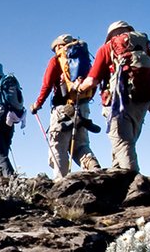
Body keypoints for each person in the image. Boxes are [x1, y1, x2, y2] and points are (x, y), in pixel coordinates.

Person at [76, 21, 150, 172]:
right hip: (142, 102)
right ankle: (119, 180)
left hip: (117, 104)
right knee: (123, 145)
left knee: (123, 145)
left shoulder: (107, 48)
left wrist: (79, 87)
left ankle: (134, 182)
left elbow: (92, 81)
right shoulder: (144, 49)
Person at [30, 34, 101, 176]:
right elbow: (93, 82)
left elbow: (47, 85)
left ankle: (61, 181)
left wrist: (37, 104)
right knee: (80, 145)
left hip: (62, 110)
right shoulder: (84, 59)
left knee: (58, 147)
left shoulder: (56, 60)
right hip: (83, 107)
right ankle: (94, 169)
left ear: (58, 46)